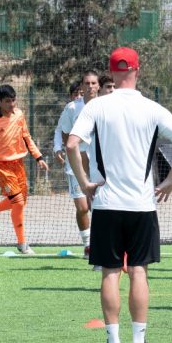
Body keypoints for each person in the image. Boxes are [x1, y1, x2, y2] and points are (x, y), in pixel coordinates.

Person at [66, 47, 172, 343]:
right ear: (136, 71)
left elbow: (71, 144)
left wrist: (84, 183)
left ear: (111, 73)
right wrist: (170, 180)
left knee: (110, 272)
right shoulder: (152, 108)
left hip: (106, 204)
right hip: (142, 204)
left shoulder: (96, 107)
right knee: (138, 271)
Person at [0, 85, 49, 254]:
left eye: (13, 100)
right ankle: (22, 243)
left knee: (20, 201)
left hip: (18, 163)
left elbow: (27, 137)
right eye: (7, 101)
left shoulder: (19, 115)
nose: (11, 104)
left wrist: (38, 157)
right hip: (0, 165)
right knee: (17, 201)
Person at [58, 71, 101, 258]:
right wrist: (71, 154)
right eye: (87, 83)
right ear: (82, 87)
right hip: (76, 164)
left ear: (98, 86)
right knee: (83, 207)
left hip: (100, 163)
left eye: (94, 83)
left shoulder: (106, 106)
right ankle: (88, 244)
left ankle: (102, 242)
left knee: (99, 206)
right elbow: (65, 133)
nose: (90, 86)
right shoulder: (72, 108)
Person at [52, 81, 83, 167]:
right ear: (70, 96)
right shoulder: (69, 109)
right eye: (76, 94)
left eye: (82, 94)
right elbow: (59, 130)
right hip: (72, 160)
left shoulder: (92, 107)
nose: (79, 97)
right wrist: (58, 148)